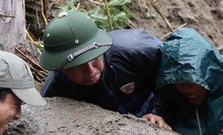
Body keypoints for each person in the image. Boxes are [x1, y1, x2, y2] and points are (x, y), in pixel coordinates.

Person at [39, 11, 169, 128]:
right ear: (61, 68)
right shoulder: (54, 92)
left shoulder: (138, 51)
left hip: (152, 105)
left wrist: (157, 112)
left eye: (94, 58)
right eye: (77, 66)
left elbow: (172, 76)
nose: (90, 70)